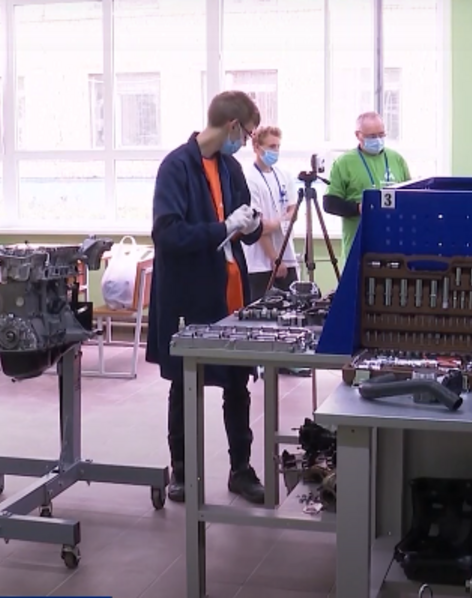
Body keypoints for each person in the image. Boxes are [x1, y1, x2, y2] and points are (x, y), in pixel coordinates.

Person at [146, 90, 280, 505]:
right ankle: (183, 471)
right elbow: (168, 234)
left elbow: (244, 225)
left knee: (237, 383)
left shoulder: (229, 167)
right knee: (185, 383)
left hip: (230, 291)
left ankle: (241, 469)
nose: (247, 142)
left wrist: (251, 225)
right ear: (233, 126)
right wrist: (223, 227)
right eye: (248, 134)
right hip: (189, 293)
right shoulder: (176, 167)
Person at [322, 111, 412, 262]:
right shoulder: (344, 163)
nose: (378, 139)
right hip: (359, 244)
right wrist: (358, 208)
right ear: (359, 135)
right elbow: (330, 203)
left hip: (395, 243)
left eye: (381, 134)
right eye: (372, 136)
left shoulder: (396, 159)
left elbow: (411, 195)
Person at [243, 125, 299, 302]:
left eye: (278, 146)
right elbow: (257, 227)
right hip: (261, 263)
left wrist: (275, 223)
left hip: (287, 256)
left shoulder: (284, 175)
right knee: (260, 310)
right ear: (256, 147)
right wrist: (275, 259)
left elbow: (294, 211)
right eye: (271, 146)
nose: (275, 151)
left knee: (294, 307)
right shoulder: (249, 179)